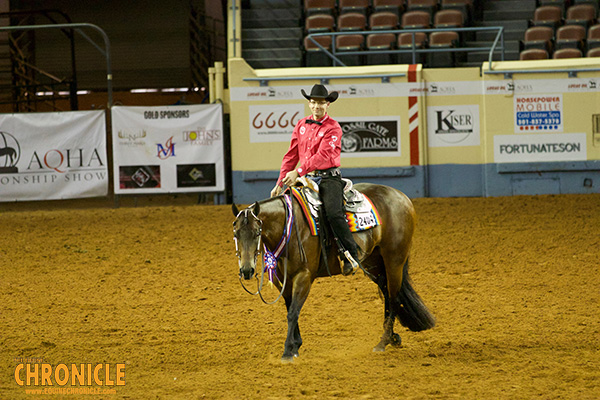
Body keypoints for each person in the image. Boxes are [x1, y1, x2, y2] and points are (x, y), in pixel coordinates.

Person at [270, 84, 361, 276]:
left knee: (333, 213)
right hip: (307, 178)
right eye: (313, 102)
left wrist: (299, 171)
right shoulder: (301, 125)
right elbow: (291, 155)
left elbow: (322, 156)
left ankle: (350, 254)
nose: (316, 106)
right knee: (287, 209)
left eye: (320, 102)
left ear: (327, 104)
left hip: (329, 178)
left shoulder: (333, 127)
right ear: (309, 104)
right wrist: (280, 182)